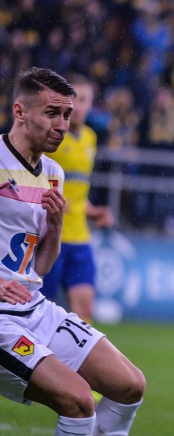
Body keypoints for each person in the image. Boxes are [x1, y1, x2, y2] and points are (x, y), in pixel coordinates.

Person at [0, 67, 147, 436]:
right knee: (79, 400)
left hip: (34, 306)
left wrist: (58, 224)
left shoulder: (53, 173)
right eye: (52, 113)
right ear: (20, 111)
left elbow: (40, 266)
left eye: (67, 114)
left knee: (129, 385)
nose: (63, 125)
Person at [40, 73, 114, 323]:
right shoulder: (50, 137)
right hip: (50, 236)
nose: (80, 106)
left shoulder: (90, 139)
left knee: (84, 311)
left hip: (80, 236)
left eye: (85, 100)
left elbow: (77, 191)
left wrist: (93, 211)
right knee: (43, 311)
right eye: (76, 100)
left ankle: (78, 362)